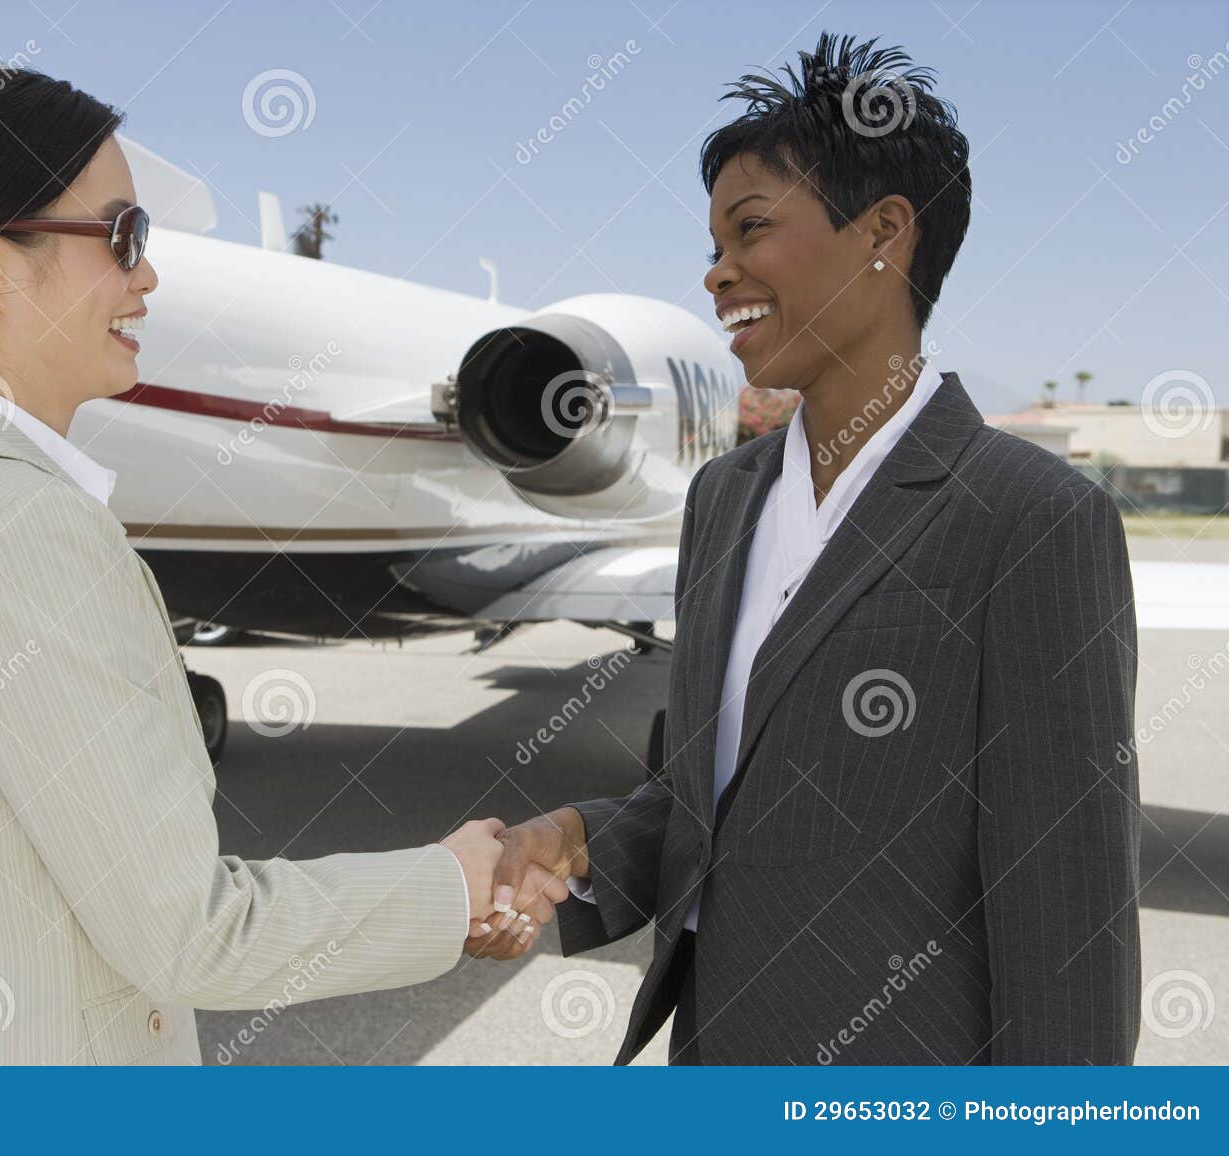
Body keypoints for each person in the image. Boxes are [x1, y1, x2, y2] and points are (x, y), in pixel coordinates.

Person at [0, 67, 562, 1065]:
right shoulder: (27, 528)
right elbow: (190, 936)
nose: (146, 278)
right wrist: (451, 884)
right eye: (122, 236)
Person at [477, 33, 1141, 1065]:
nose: (715, 272)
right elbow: (714, 798)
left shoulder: (1030, 518)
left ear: (884, 234)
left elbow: (1068, 907)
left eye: (749, 231)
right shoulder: (723, 498)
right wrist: (578, 837)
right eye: (710, 242)